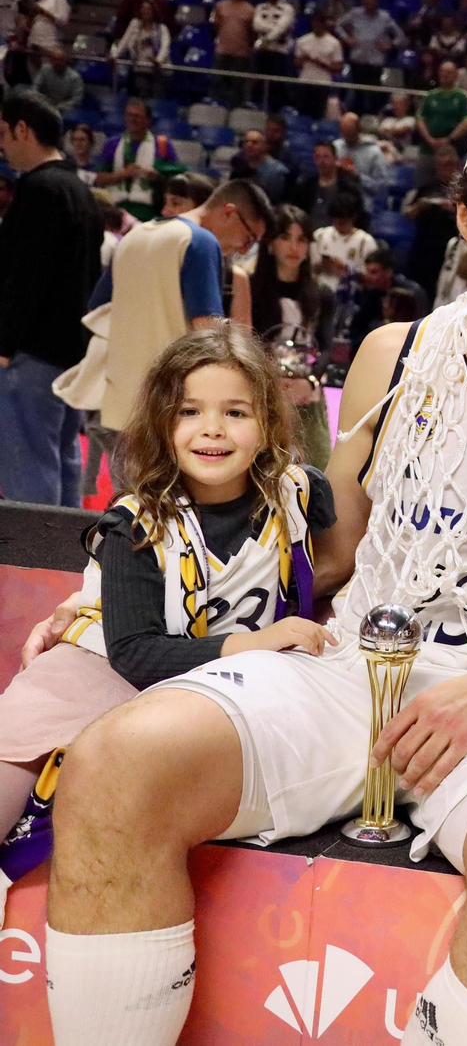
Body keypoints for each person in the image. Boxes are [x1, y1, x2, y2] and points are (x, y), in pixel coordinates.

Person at [38, 88, 467, 1046]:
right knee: (119, 760)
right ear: (465, 217)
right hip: (357, 670)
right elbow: (322, 553)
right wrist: (108, 598)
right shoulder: (391, 355)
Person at [0, 328, 332, 904]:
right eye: (189, 411)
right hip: (101, 670)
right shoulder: (136, 524)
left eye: (236, 412)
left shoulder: (300, 495)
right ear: (161, 425)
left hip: (209, 690)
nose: (212, 429)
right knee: (13, 762)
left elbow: (340, 559)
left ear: (269, 426)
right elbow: (136, 652)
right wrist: (261, 640)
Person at [88, 178, 272, 450]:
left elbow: (97, 308)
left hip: (119, 401)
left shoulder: (133, 237)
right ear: (229, 211)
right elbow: (208, 333)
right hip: (171, 403)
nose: (244, 250)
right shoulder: (200, 241)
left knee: (127, 491)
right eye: (249, 238)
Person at [0, 90, 103, 507]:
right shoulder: (80, 190)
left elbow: (25, 277)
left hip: (32, 354)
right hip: (72, 354)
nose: (2, 146)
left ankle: (30, 571)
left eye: (4, 134)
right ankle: (64, 568)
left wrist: (3, 347)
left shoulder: (39, 189)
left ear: (23, 129)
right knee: (63, 461)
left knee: (29, 468)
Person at [249, 204, 336, 466]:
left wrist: (310, 381)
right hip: (261, 394)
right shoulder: (251, 289)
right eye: (285, 238)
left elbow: (326, 346)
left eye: (301, 239)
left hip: (305, 393)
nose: (293, 247)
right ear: (271, 243)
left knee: (317, 468)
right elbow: (246, 339)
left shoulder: (322, 294)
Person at [94, 97, 184, 222]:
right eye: (129, 115)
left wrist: (157, 178)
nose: (132, 119)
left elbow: (176, 182)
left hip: (148, 212)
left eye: (136, 116)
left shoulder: (162, 145)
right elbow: (99, 180)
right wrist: (124, 174)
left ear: (147, 120)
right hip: (115, 211)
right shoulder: (113, 144)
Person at [401, 142, 462, 295]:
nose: (447, 169)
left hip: (452, 247)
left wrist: (454, 209)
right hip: (425, 248)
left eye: (450, 165)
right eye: (443, 165)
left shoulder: (465, 190)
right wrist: (419, 207)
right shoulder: (426, 188)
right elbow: (406, 213)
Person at [335, 0, 404, 113]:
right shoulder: (355, 13)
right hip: (357, 61)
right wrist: (347, 38)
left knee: (373, 97)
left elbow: (400, 36)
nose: (368, 2)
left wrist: (390, 45)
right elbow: (338, 25)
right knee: (357, 96)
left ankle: (372, 122)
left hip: (374, 63)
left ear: (376, 0)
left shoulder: (384, 17)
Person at [351, 246, 428, 347]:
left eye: (374, 272)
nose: (368, 277)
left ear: (388, 272)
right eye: (367, 271)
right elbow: (357, 328)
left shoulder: (411, 294)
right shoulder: (370, 292)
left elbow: (420, 328)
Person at [289, 138, 365, 230]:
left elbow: (358, 216)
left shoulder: (348, 187)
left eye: (326, 157)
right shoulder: (305, 186)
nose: (322, 161)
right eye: (318, 157)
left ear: (335, 159)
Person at [310, 192, 377, 294]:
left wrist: (347, 270)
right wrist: (323, 265)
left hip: (351, 295)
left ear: (353, 217)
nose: (339, 224)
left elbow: (372, 280)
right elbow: (308, 269)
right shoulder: (319, 235)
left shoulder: (366, 241)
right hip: (320, 292)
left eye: (343, 221)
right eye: (336, 220)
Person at [251, 0, 297, 106]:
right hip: (263, 51)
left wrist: (265, 38)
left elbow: (282, 28)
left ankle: (277, 110)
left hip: (279, 52)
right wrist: (273, 30)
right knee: (259, 83)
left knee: (278, 85)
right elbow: (256, 25)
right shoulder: (260, 8)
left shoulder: (287, 9)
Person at [417, 60, 467, 156]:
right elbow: (420, 119)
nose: (445, 74)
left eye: (449, 72)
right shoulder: (429, 96)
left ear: (456, 75)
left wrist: (449, 139)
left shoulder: (463, 96)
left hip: (453, 148)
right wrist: (429, 139)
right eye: (442, 71)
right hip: (428, 148)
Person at [334, 109, 391, 209]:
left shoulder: (374, 151)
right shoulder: (335, 147)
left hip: (363, 202)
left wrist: (358, 176)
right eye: (345, 134)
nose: (348, 138)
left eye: (350, 134)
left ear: (358, 130)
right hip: (336, 198)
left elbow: (381, 187)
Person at [292, 12, 344, 118]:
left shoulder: (334, 43)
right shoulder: (302, 41)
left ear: (324, 24)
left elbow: (338, 67)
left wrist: (319, 63)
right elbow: (296, 63)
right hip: (305, 81)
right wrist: (304, 59)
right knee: (302, 113)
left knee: (319, 114)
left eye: (319, 23)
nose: (317, 26)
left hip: (322, 83)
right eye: (314, 23)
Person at [229, 128, 289, 203]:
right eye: (246, 142)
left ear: (265, 146)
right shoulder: (239, 166)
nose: (249, 145)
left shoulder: (277, 171)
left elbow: (275, 201)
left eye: (255, 142)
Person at [31, 44, 82, 110]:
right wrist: (36, 99)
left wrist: (59, 107)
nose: (57, 63)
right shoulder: (44, 70)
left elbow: (76, 99)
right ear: (50, 60)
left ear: (65, 61)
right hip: (45, 105)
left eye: (60, 60)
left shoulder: (75, 77)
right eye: (55, 59)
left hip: (64, 109)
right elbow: (36, 86)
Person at [379, 90, 417, 156]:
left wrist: (388, 131)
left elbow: (400, 132)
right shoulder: (388, 120)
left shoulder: (411, 120)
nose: (396, 106)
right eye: (394, 103)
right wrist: (393, 130)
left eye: (399, 103)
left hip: (405, 153)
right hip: (387, 153)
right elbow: (380, 132)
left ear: (406, 106)